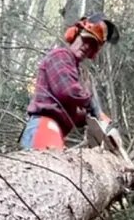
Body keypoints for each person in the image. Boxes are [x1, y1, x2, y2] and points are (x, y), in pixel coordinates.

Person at [21, 13, 119, 151]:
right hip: (44, 125)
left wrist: (93, 119)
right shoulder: (61, 55)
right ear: (75, 34)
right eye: (85, 40)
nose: (87, 47)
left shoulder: (77, 71)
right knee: (43, 168)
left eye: (92, 45)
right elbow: (68, 92)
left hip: (55, 130)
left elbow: (75, 114)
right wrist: (93, 107)